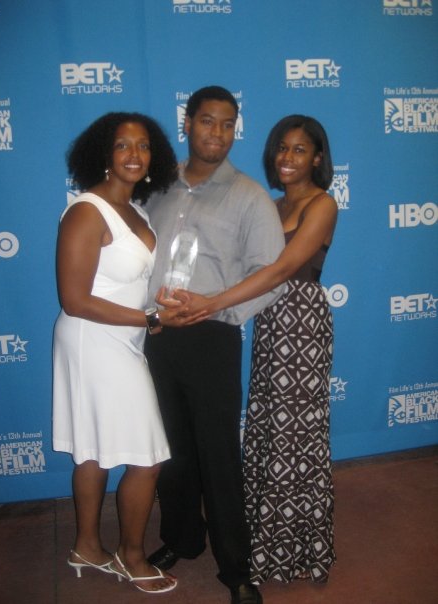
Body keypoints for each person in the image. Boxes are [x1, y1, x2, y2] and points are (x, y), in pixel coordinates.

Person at [171, 115, 338, 586]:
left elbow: (282, 269)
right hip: (266, 321)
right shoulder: (270, 202)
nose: (288, 157)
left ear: (317, 158)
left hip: (301, 324)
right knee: (267, 427)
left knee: (296, 434)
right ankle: (263, 540)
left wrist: (213, 303)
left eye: (300, 149)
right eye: (282, 148)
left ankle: (299, 547)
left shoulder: (322, 204)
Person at [144, 86, 285, 604]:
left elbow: (272, 276)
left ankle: (236, 568)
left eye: (228, 124)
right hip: (158, 336)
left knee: (219, 456)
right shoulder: (157, 188)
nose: (218, 133)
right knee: (172, 451)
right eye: (208, 121)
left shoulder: (249, 196)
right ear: (188, 122)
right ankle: (182, 539)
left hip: (212, 340)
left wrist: (217, 309)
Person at [52, 111, 204, 594]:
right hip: (92, 340)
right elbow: (74, 299)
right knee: (146, 456)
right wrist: (151, 319)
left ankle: (86, 546)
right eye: (122, 145)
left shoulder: (135, 210)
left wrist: (159, 309)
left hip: (125, 337)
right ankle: (131, 556)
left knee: (93, 452)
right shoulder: (86, 211)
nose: (134, 154)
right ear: (104, 152)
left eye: (143, 146)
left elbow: (128, 282)